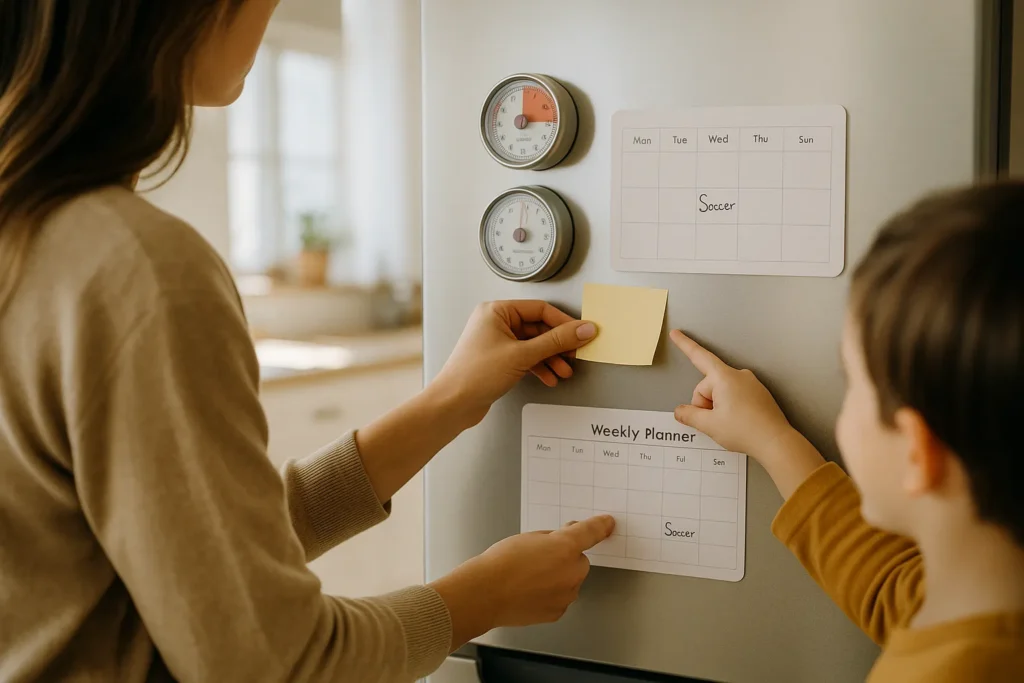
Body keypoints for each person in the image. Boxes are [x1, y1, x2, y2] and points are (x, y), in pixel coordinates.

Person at [0, 2, 614, 681]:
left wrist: (450, 398)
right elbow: (275, 663)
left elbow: (203, 554)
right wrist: (482, 596)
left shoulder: (32, 235)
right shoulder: (138, 270)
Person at [669, 182, 1024, 681]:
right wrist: (773, 441)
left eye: (850, 382)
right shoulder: (982, 601)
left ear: (918, 453)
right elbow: (893, 590)